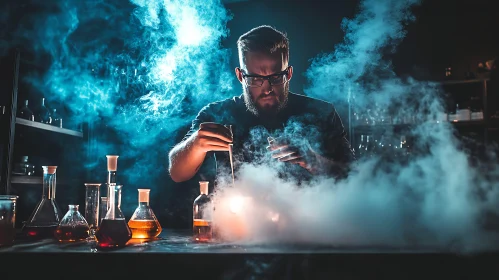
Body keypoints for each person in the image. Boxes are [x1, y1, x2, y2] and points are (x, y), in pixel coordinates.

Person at [168, 25, 355, 188]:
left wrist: (313, 160)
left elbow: (353, 176)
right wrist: (195, 144)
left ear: (288, 73)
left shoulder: (321, 112)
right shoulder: (217, 114)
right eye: (256, 78)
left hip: (311, 222)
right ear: (240, 76)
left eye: (275, 77)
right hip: (238, 222)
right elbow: (177, 173)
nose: (267, 88)